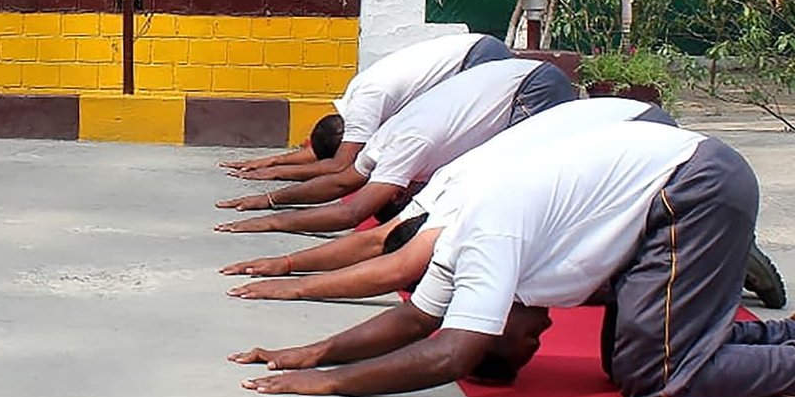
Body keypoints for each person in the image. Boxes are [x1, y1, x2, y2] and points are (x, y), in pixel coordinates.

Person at [231, 120, 795, 397]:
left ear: (491, 313)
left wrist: (326, 384)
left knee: (662, 377)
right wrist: (310, 353)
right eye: (530, 351)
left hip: (694, 186)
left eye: (516, 349)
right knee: (632, 360)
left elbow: (448, 350)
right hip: (681, 187)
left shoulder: (488, 235)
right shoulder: (462, 243)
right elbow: (413, 319)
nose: (538, 339)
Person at [222, 97, 674, 300]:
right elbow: (377, 240)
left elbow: (365, 225)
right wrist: (284, 262)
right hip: (610, 122)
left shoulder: (463, 204)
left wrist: (289, 273)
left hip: (637, 134)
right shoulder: (437, 193)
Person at [214, 58, 574, 234]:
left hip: (527, 85)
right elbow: (342, 181)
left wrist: (271, 218)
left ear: (398, 194)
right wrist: (268, 199)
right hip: (515, 77)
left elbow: (350, 211)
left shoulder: (400, 146)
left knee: (517, 186)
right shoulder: (382, 143)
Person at [219, 33, 512, 182]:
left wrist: (275, 176)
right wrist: (272, 161)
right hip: (474, 50)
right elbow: (324, 152)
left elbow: (339, 165)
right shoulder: (353, 103)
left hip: (477, 59)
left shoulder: (366, 106)